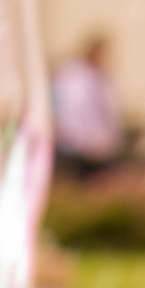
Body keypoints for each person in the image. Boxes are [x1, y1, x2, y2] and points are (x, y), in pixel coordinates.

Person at [50, 27, 126, 180]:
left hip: (99, 146)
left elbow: (110, 113)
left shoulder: (102, 78)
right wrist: (86, 141)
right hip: (78, 147)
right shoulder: (73, 78)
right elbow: (71, 112)